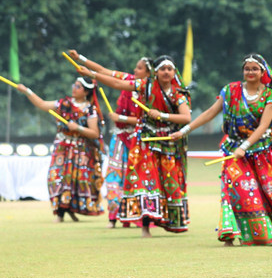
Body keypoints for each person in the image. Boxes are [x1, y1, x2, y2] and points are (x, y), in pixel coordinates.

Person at [170, 54, 272, 245]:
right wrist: (185, 130)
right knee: (238, 188)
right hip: (234, 150)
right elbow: (209, 113)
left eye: (254, 69)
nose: (250, 72)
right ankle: (234, 234)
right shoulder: (230, 91)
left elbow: (264, 126)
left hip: (263, 151)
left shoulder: (270, 96)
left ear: (263, 72)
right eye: (247, 68)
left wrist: (245, 146)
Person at [85, 56, 192, 236]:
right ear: (156, 72)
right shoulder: (145, 86)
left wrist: (161, 116)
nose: (166, 72)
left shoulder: (178, 94)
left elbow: (186, 118)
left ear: (174, 72)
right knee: (144, 181)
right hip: (144, 142)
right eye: (162, 69)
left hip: (167, 143)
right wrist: (92, 74)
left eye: (170, 69)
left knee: (168, 182)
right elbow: (117, 84)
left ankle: (171, 221)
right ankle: (145, 225)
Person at [67, 50, 150, 227]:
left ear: (148, 73)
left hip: (140, 139)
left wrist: (123, 119)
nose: (135, 70)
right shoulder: (128, 79)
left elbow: (150, 118)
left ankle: (138, 217)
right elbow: (105, 71)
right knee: (114, 175)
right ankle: (113, 217)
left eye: (140, 68)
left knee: (136, 177)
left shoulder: (150, 90)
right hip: (120, 138)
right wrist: (80, 58)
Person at [18, 76, 104, 221]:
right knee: (56, 177)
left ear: (86, 92)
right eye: (74, 85)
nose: (74, 88)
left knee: (75, 181)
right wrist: (27, 91)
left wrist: (77, 128)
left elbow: (95, 133)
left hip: (80, 149)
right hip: (62, 148)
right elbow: (42, 104)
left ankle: (65, 210)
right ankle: (60, 210)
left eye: (78, 87)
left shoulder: (90, 110)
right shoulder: (64, 103)